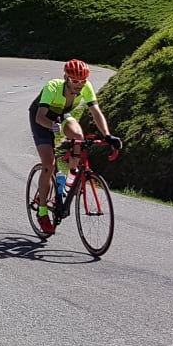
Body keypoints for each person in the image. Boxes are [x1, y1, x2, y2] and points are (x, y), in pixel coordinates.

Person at [28, 58, 122, 235]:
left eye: (83, 81)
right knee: (49, 165)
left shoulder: (86, 87)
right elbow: (40, 117)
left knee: (79, 137)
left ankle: (69, 180)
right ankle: (42, 212)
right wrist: (51, 126)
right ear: (66, 78)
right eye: (75, 81)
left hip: (61, 115)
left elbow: (96, 112)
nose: (79, 85)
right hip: (41, 118)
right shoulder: (53, 87)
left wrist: (108, 136)